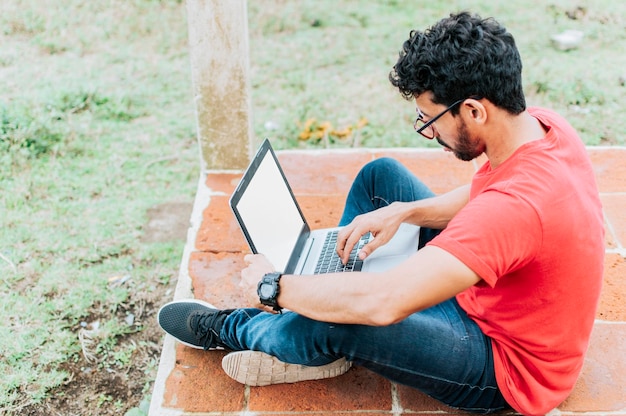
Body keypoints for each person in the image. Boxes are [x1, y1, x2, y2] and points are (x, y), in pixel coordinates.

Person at [157, 11, 604, 415]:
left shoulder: (514, 211)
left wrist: (273, 286)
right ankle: (319, 310)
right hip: (494, 295)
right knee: (381, 180)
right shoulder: (541, 128)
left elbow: (384, 303)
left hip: (503, 365)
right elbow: (482, 191)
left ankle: (240, 329)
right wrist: (404, 213)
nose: (429, 132)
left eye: (431, 120)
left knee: (344, 316)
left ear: (473, 110)